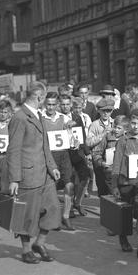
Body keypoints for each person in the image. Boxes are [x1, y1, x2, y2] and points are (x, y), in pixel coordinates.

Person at [7, 81, 61, 264]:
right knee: (27, 214)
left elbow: (45, 145)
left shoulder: (38, 115)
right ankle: (26, 250)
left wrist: (52, 166)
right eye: (44, 98)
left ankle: (40, 243)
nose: (45, 102)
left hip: (44, 173)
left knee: (53, 209)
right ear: (39, 97)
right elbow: (13, 150)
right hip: (27, 175)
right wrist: (14, 179)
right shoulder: (20, 117)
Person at [111, 110, 138, 257]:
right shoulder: (123, 141)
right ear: (129, 124)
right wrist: (114, 185)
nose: (136, 126)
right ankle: (123, 237)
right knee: (126, 214)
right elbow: (116, 163)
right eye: (133, 123)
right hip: (125, 182)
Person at [41, 92, 76, 230]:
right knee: (51, 189)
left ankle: (65, 216)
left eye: (53, 104)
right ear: (45, 104)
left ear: (57, 105)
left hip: (64, 155)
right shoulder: (40, 117)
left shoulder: (64, 118)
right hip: (49, 156)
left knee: (69, 186)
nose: (51, 107)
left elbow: (70, 137)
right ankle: (52, 217)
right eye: (48, 104)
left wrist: (74, 141)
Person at [87, 98, 116, 197]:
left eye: (109, 111)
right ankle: (103, 209)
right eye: (103, 111)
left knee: (112, 186)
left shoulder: (115, 123)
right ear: (99, 111)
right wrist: (102, 134)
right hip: (98, 158)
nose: (106, 113)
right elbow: (89, 142)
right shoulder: (94, 125)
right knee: (101, 185)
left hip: (112, 158)